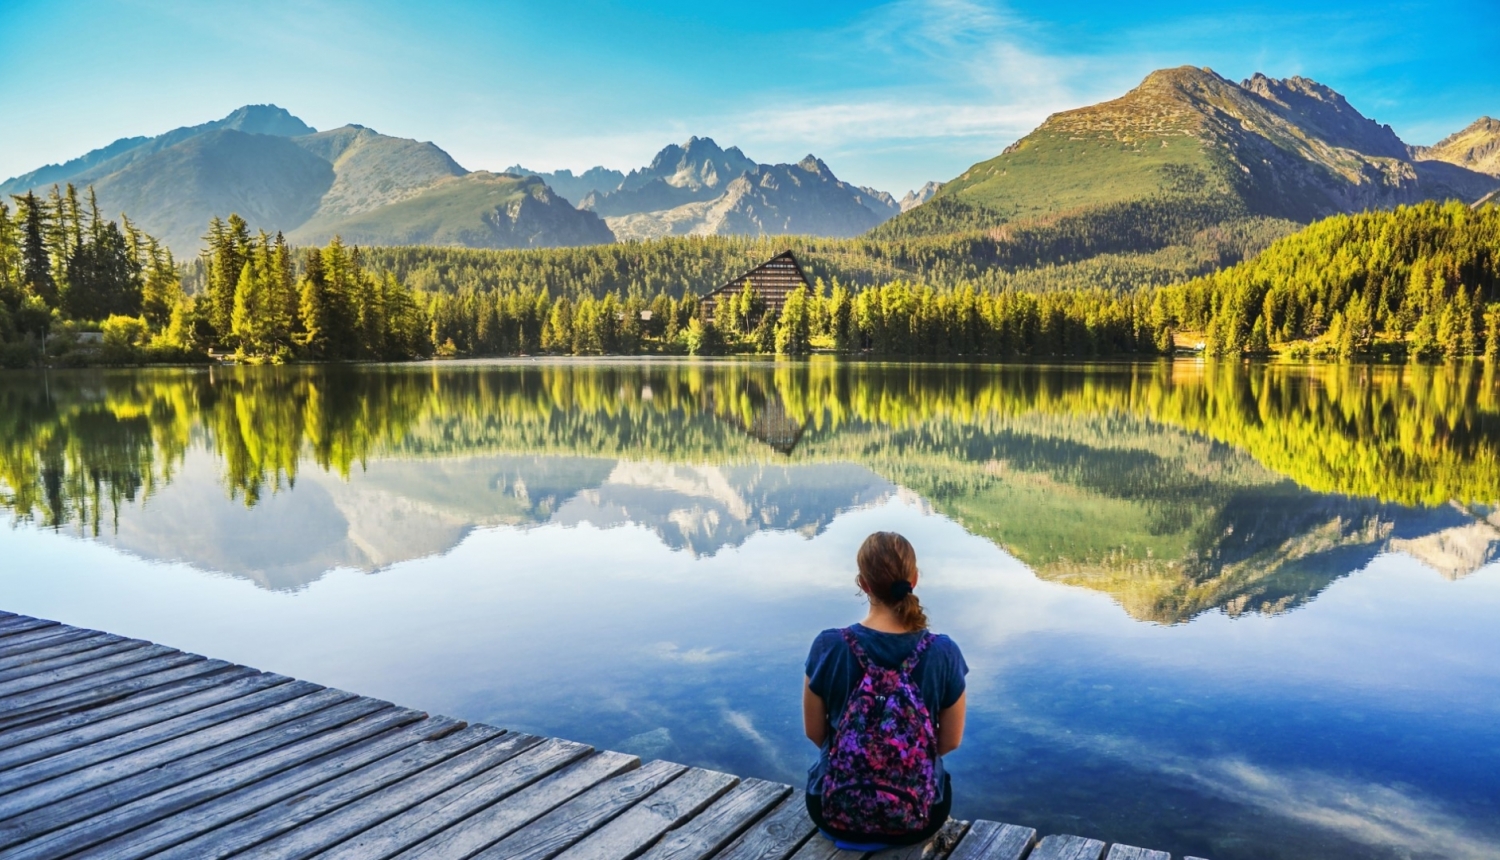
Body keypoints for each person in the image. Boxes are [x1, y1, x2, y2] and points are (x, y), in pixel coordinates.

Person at [802, 531, 969, 850]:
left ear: (862, 584)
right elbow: (950, 741)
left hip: (831, 810)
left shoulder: (828, 646)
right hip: (918, 817)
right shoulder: (944, 652)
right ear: (915, 579)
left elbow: (814, 732)